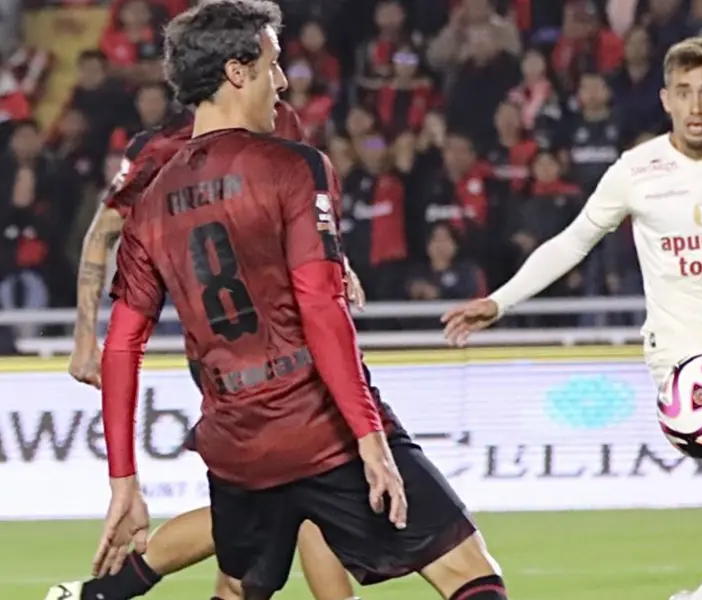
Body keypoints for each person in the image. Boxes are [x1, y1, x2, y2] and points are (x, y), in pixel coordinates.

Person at [87, 2, 506, 600]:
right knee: (470, 573)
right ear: (237, 72)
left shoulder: (150, 204)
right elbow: (321, 307)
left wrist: (123, 481)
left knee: (238, 589)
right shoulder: (292, 166)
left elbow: (122, 346)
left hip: (235, 442)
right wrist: (368, 437)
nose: (282, 82)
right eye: (272, 65)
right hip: (316, 420)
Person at [441, 35, 702, 600]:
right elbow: (572, 243)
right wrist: (501, 301)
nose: (696, 106)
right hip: (687, 358)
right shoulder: (637, 171)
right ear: (665, 99)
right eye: (684, 92)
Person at [55, 62, 363, 600]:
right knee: (306, 489)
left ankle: (104, 592)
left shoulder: (279, 120)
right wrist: (86, 337)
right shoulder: (161, 148)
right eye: (269, 62)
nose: (280, 79)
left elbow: (303, 210)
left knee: (281, 502)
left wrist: (340, 263)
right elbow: (103, 232)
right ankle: (108, 590)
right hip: (241, 349)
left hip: (289, 337)